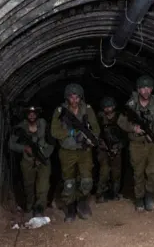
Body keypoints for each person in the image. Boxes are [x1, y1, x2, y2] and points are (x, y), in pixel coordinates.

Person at [51, 83, 100, 222]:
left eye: (77, 97)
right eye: (71, 97)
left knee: (86, 180)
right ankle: (70, 207)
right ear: (67, 98)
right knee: (69, 182)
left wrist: (90, 138)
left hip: (85, 151)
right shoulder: (60, 111)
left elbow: (96, 128)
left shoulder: (87, 109)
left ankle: (82, 202)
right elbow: (54, 131)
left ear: (81, 97)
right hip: (67, 151)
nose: (74, 100)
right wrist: (72, 132)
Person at [117, 75, 154, 212]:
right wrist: (133, 128)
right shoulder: (131, 105)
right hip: (136, 145)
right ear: (138, 90)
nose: (146, 91)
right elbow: (121, 121)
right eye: (143, 88)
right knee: (138, 173)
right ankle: (139, 198)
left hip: (153, 144)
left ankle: (149, 195)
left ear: (151, 89)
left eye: (148, 88)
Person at [8, 105, 54, 217]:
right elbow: (11, 144)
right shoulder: (20, 128)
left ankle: (39, 208)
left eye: (34, 113)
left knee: (43, 185)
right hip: (27, 161)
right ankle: (30, 206)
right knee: (29, 185)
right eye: (29, 113)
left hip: (43, 159)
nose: (32, 115)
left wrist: (44, 155)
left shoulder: (44, 125)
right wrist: (24, 148)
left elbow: (52, 143)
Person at [96, 96, 125, 203]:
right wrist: (100, 143)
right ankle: (100, 194)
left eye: (110, 107)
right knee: (104, 171)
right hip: (103, 149)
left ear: (114, 107)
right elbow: (95, 133)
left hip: (116, 148)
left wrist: (118, 147)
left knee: (116, 172)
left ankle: (115, 193)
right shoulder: (99, 118)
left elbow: (125, 135)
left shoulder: (120, 118)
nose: (108, 109)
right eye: (106, 107)